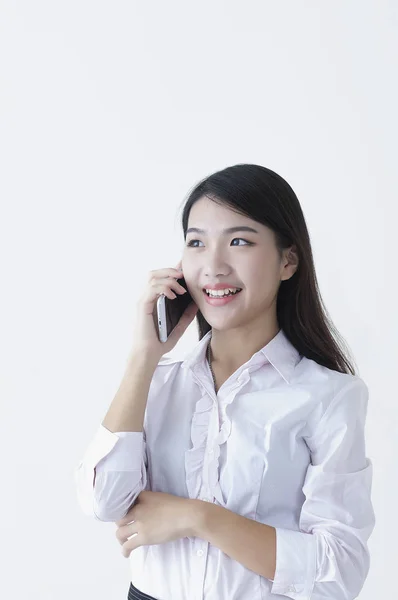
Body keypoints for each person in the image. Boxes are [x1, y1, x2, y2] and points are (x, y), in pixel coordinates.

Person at [75, 164, 375, 600]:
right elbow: (104, 502)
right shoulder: (155, 382)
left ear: (287, 260)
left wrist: (199, 518)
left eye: (239, 241)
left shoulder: (330, 397)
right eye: (196, 242)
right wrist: (144, 357)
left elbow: (339, 569)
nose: (213, 265)